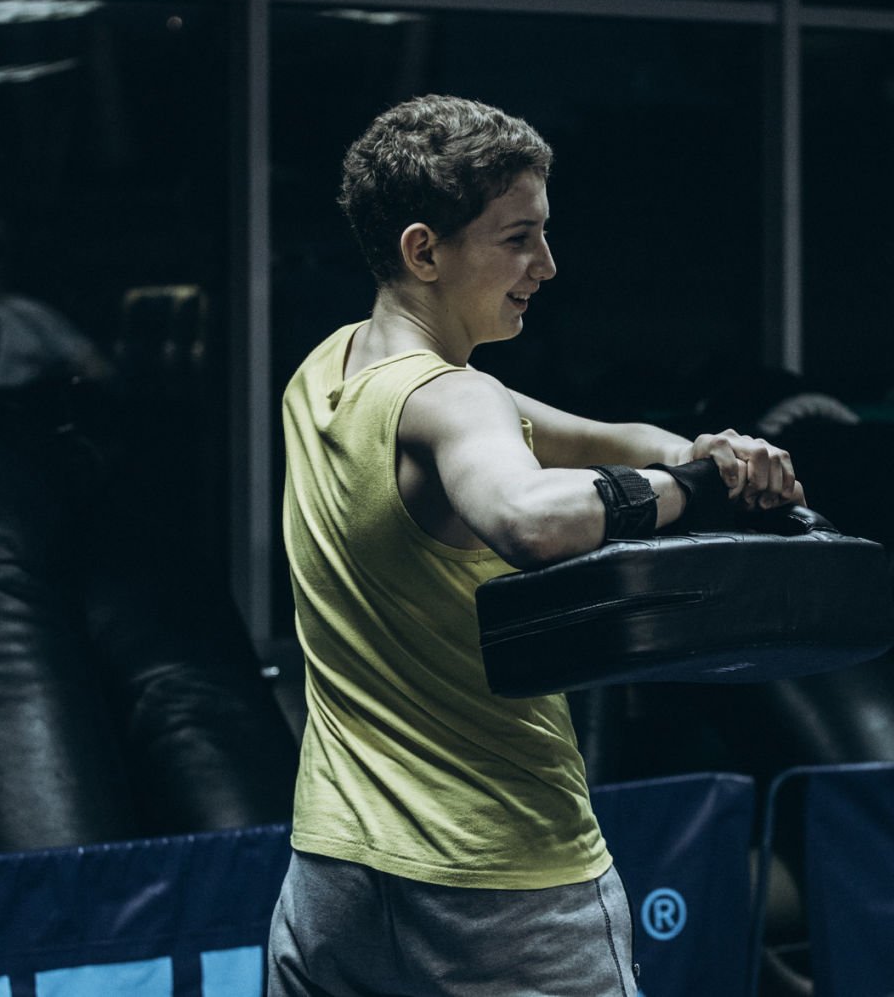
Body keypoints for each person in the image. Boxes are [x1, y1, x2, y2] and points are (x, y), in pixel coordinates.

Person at [266, 95, 804, 996]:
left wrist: (707, 451)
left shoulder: (327, 371)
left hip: (335, 882)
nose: (546, 265)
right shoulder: (455, 399)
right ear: (423, 251)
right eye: (518, 238)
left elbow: (598, 436)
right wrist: (695, 492)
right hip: (498, 884)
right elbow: (529, 517)